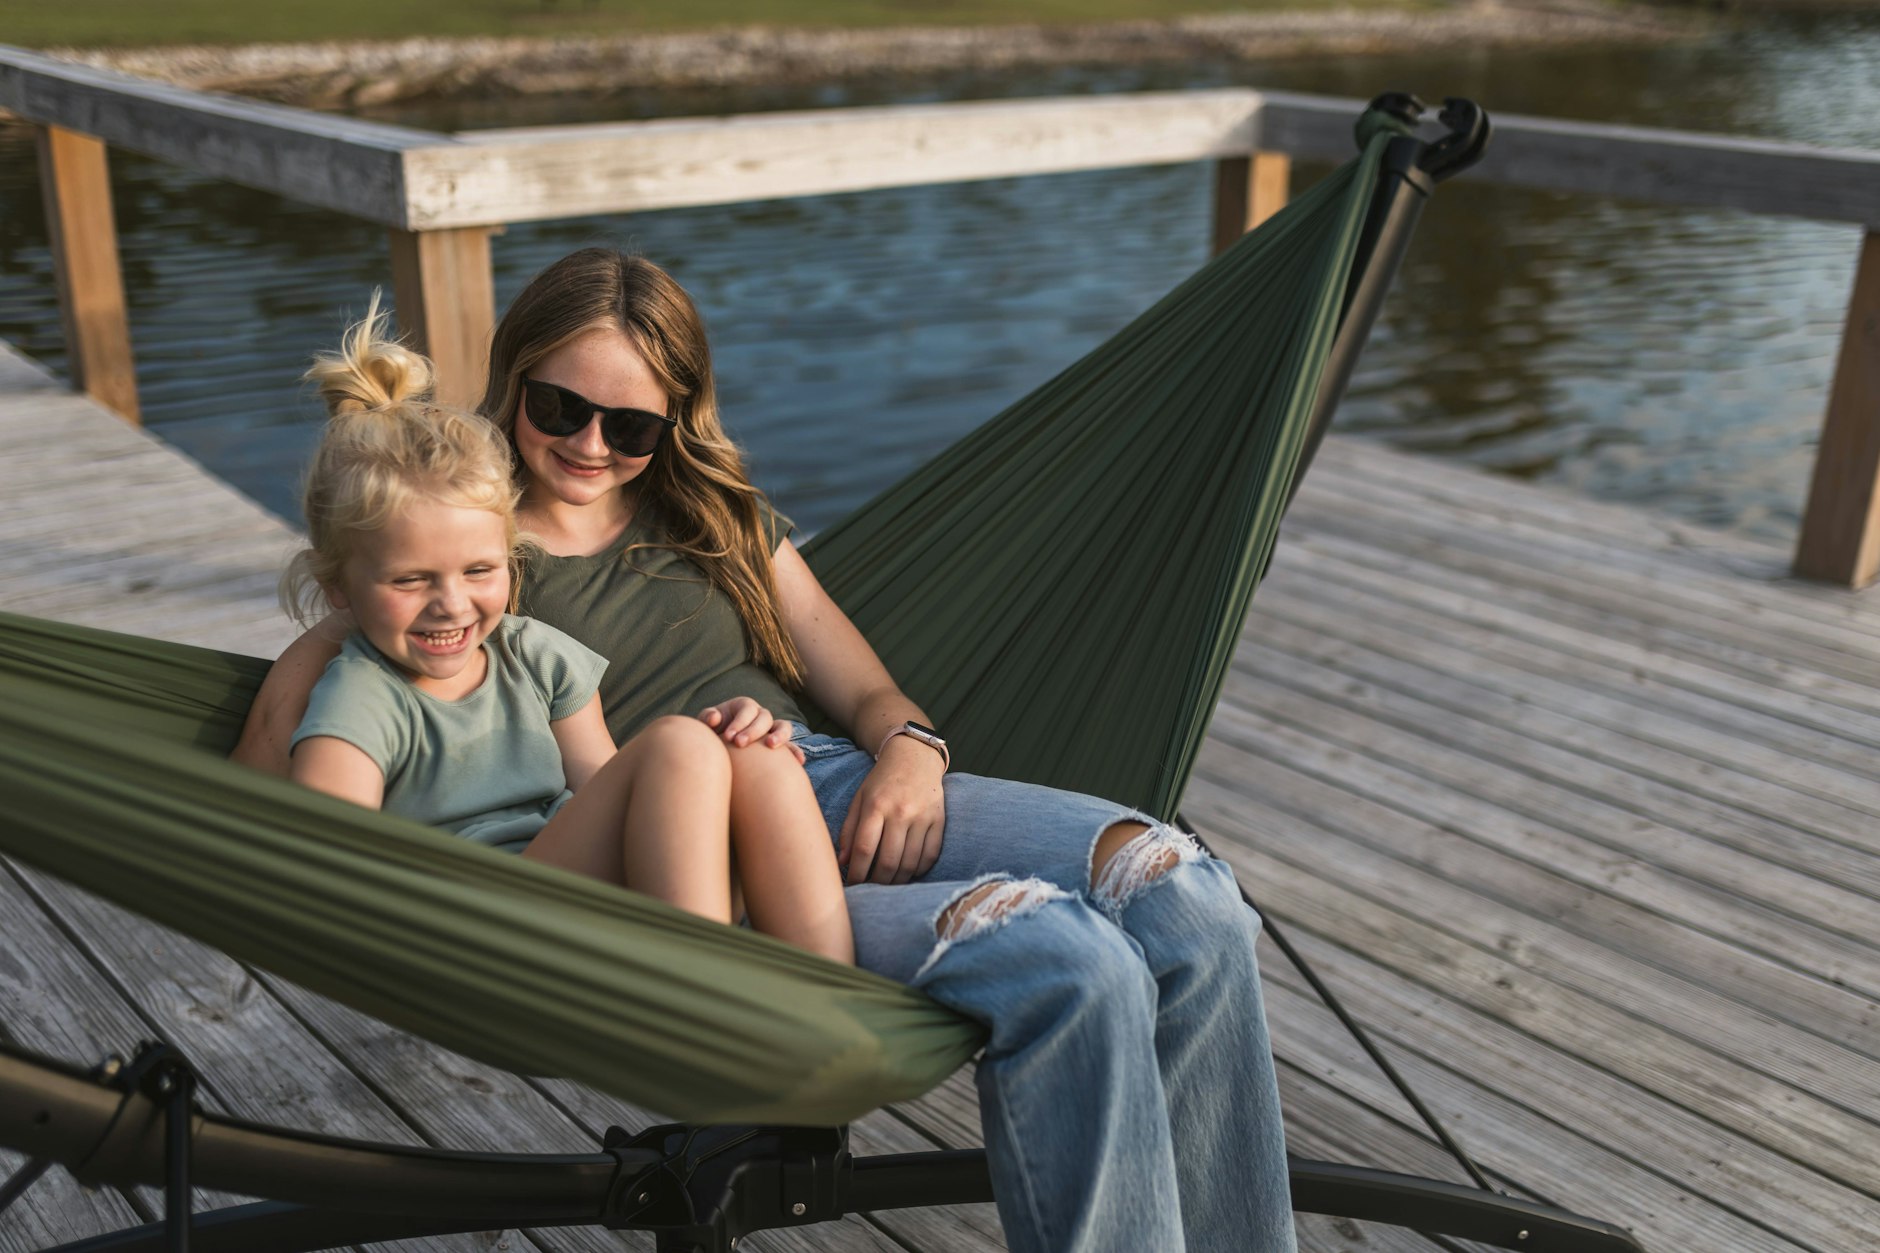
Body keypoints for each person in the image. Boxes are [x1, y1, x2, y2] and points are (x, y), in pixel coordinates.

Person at [236, 250, 1296, 1253]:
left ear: (673, 421)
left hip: (828, 785)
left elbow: (867, 687)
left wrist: (910, 751)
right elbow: (326, 673)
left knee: (1183, 890)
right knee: (1068, 961)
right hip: (690, 863)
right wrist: (266, 737)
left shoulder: (716, 514)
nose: (591, 443)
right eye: (559, 406)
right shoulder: (457, 533)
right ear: (511, 377)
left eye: (633, 423)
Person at [280, 298, 851, 965]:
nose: (451, 603)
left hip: (571, 891)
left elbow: (609, 787)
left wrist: (729, 734)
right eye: (411, 581)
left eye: (479, 569)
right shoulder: (362, 699)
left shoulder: (537, 656)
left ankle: (830, 992)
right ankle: (705, 996)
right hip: (479, 924)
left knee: (753, 755)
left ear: (512, 555)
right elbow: (334, 868)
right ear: (339, 591)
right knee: (676, 740)